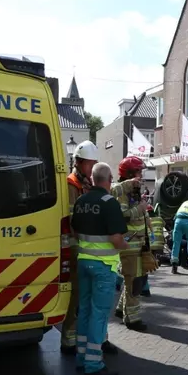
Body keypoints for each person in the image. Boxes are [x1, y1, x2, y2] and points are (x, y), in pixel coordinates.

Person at [72, 162, 129, 375]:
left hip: (83, 263)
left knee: (85, 310)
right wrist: (125, 244)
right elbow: (116, 239)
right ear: (108, 179)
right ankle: (94, 364)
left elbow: (76, 232)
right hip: (103, 267)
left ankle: (81, 357)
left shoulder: (80, 201)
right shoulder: (109, 202)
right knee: (99, 314)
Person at [61, 140, 117, 356]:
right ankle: (69, 341)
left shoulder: (88, 185)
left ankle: (100, 339)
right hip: (77, 249)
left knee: (99, 303)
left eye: (95, 163)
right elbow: (73, 221)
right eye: (90, 163)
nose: (93, 168)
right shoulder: (71, 185)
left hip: (90, 250)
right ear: (79, 162)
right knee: (79, 299)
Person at [110, 156, 149, 331]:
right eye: (138, 171)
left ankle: (121, 310)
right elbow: (121, 216)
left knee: (134, 280)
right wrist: (139, 209)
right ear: (129, 173)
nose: (141, 175)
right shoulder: (120, 192)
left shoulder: (134, 191)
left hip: (138, 244)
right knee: (133, 282)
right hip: (129, 245)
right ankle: (132, 319)